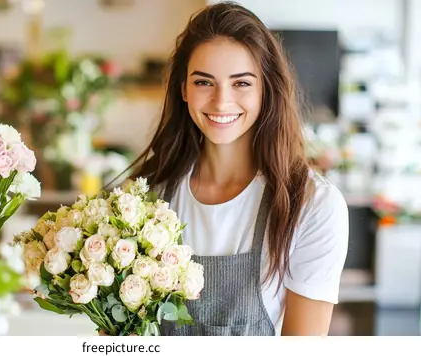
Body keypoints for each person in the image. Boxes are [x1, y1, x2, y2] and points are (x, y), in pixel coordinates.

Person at [124, 1, 349, 336]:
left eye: (241, 83)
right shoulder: (146, 196)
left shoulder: (311, 204)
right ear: (183, 89)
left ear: (265, 89)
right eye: (204, 82)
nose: (221, 102)